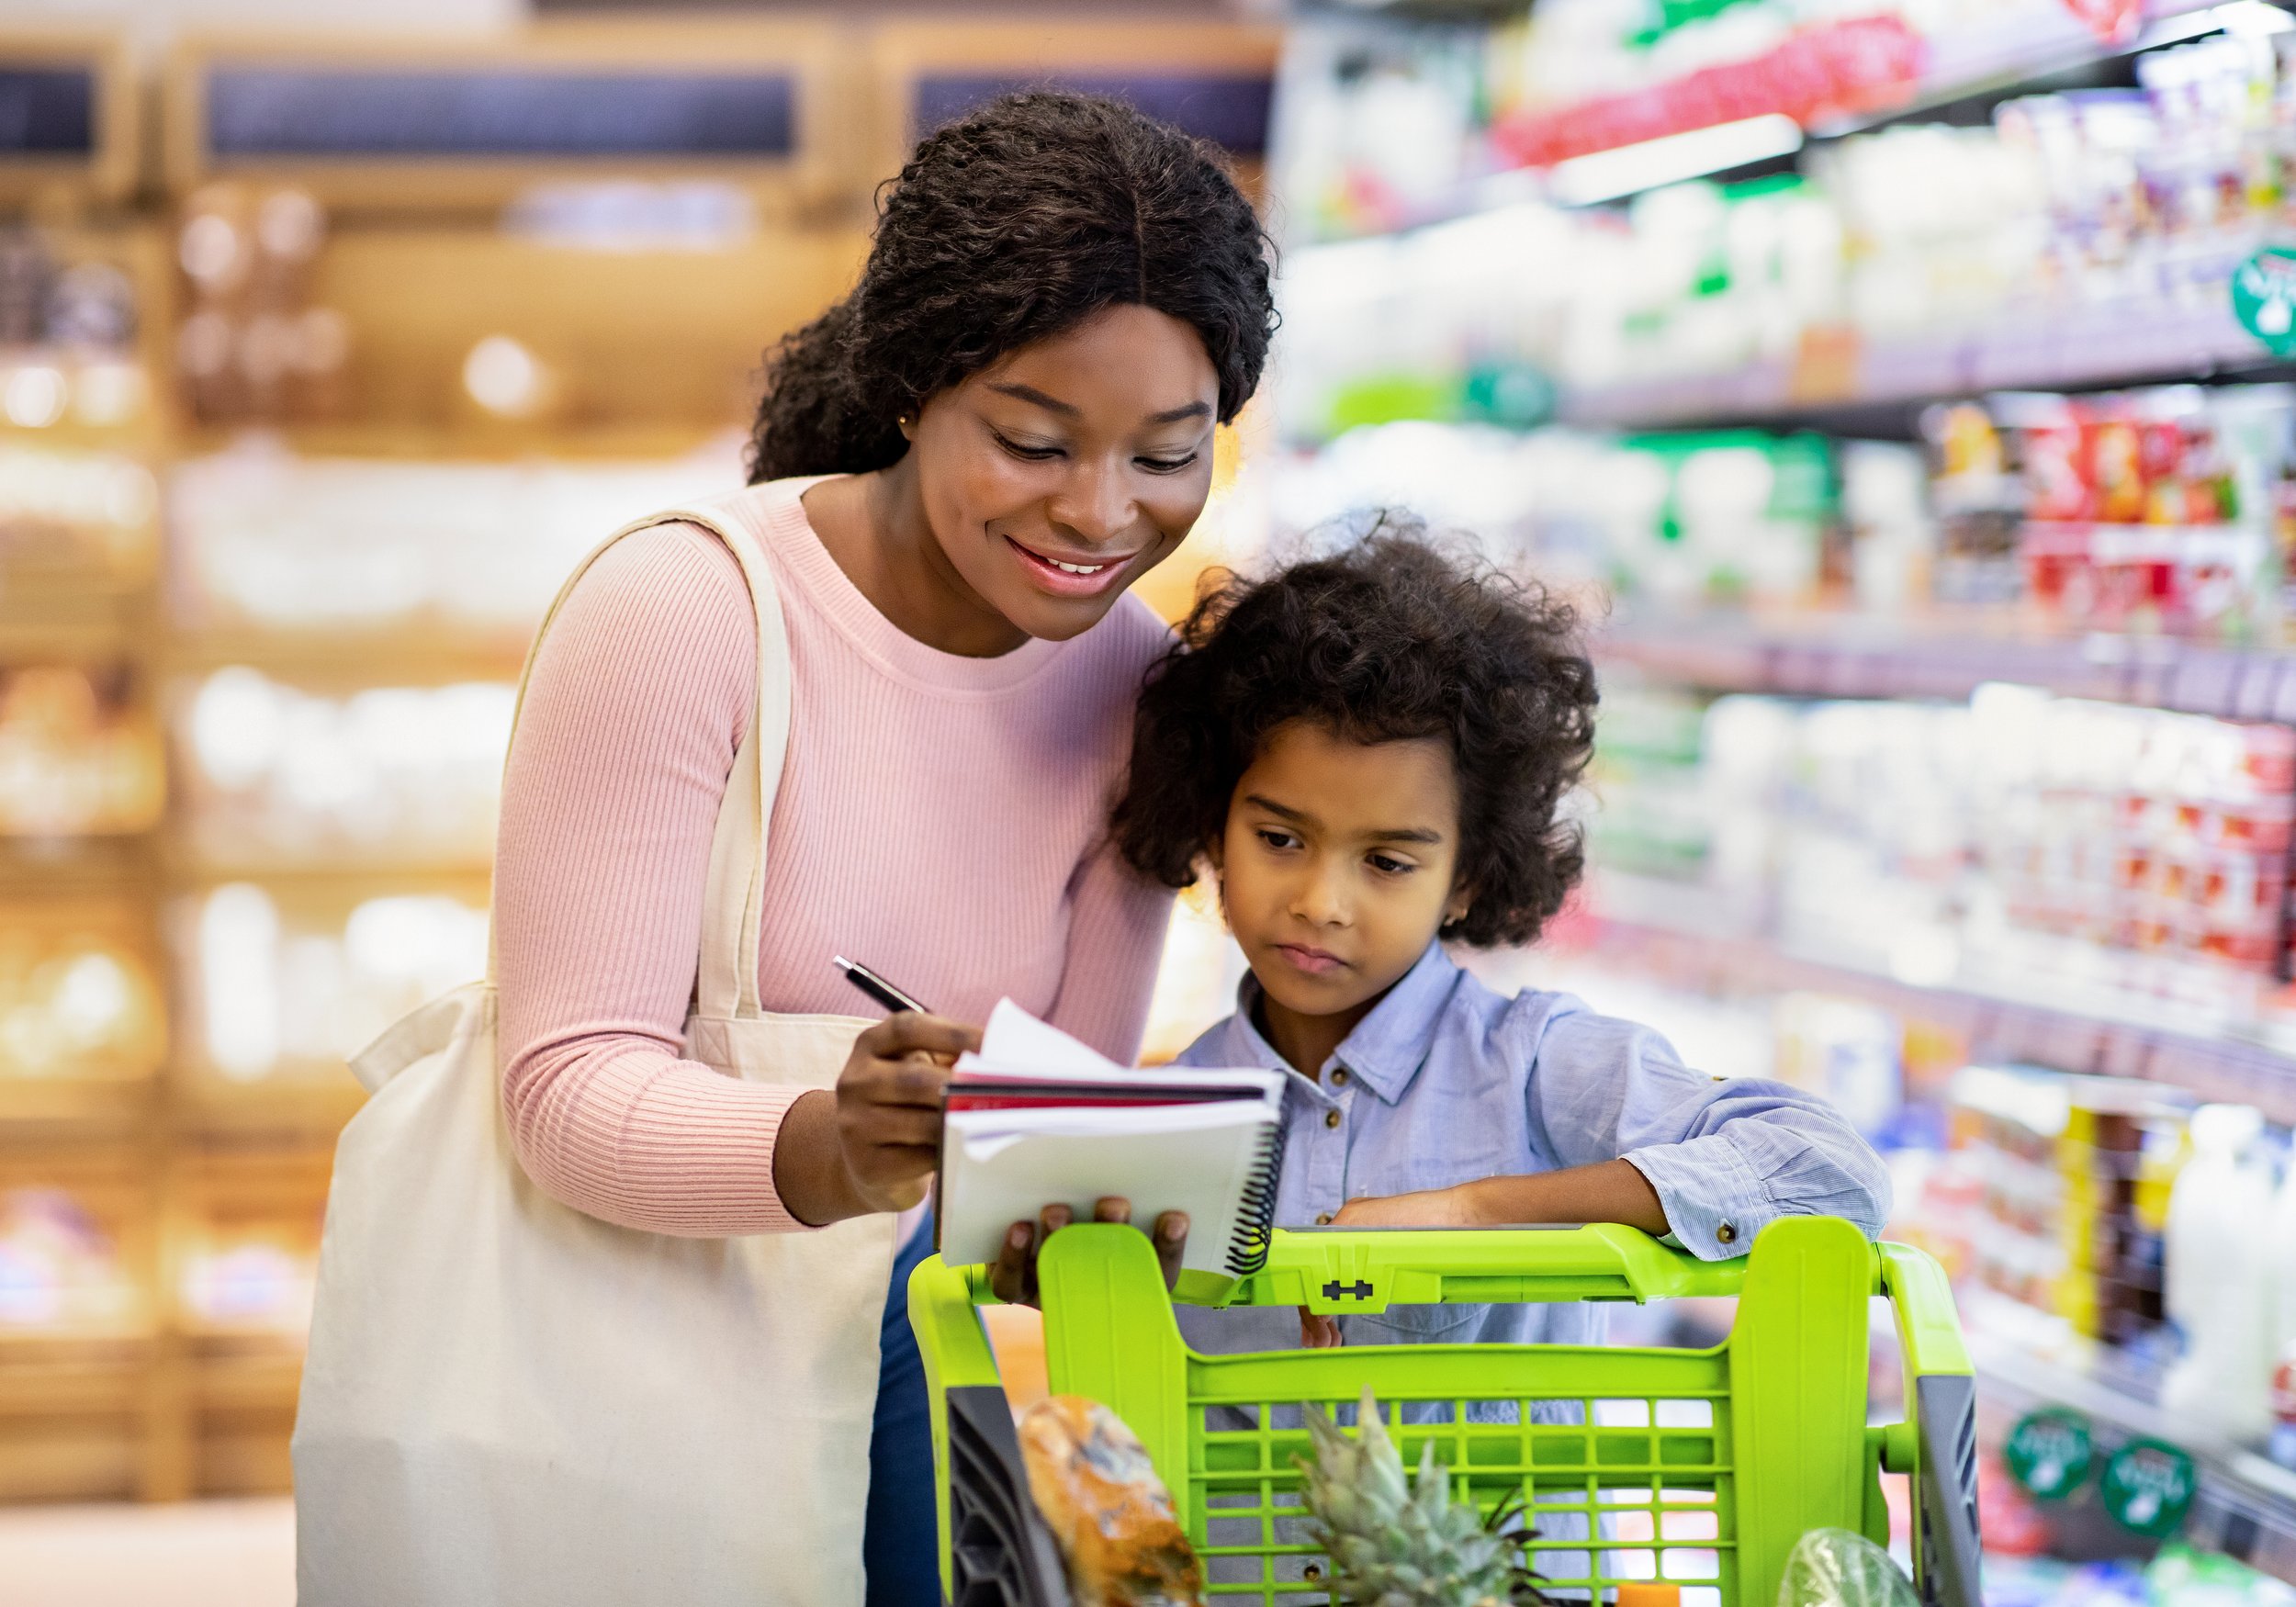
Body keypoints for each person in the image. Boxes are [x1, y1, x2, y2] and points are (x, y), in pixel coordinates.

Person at [490, 92, 1272, 1602]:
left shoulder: (1135, 692)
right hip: (660, 1367)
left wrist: (1103, 1182)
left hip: (935, 1376)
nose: (1102, 514)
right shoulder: (685, 610)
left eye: (1169, 455)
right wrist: (826, 1146)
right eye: (1036, 441)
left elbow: (1063, 1114)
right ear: (917, 386)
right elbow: (564, 1091)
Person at [1108, 523, 1892, 1363]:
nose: (1320, 903)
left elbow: (1829, 1171)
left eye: (1387, 861)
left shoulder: (1535, 1066)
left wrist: (1472, 1212)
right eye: (1281, 839)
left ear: (1471, 877)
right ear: (1215, 823)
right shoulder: (1170, 1114)